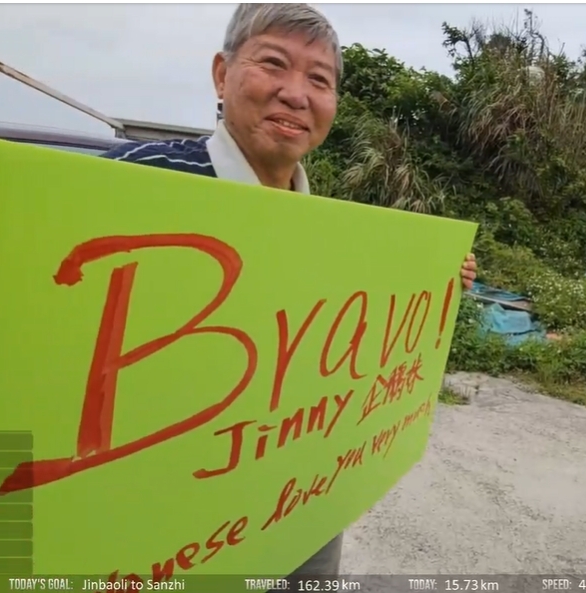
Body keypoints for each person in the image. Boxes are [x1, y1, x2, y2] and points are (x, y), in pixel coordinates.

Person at [99, 3, 477, 581]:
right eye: (273, 64)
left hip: (298, 499)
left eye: (319, 80)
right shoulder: (132, 181)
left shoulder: (329, 226)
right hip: (157, 509)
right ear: (223, 75)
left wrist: (439, 279)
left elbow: (361, 325)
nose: (295, 94)